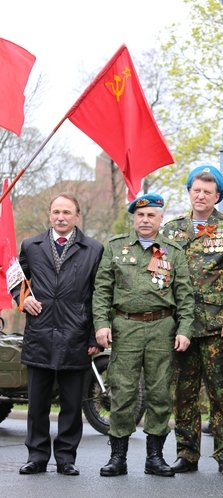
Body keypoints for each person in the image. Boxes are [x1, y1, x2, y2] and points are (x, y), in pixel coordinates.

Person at [92, 194, 194, 477]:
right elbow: (102, 290)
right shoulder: (115, 248)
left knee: (160, 393)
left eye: (151, 215)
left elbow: (185, 296)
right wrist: (101, 324)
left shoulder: (173, 251)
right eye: (140, 215)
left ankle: (155, 457)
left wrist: (185, 329)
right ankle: (118, 457)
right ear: (133, 219)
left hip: (163, 328)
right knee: (122, 391)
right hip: (126, 327)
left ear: (161, 219)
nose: (145, 220)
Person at [161, 165, 223, 476]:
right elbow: (161, 276)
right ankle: (186, 452)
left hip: (216, 326)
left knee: (221, 391)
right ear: (189, 192)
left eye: (207, 192)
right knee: (184, 393)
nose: (201, 196)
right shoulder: (171, 231)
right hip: (182, 326)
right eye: (196, 190)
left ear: (217, 196)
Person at [14, 194, 103, 476]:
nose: (61, 217)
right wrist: (22, 299)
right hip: (40, 333)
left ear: (78, 216)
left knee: (71, 402)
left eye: (67, 212)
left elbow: (98, 295)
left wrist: (92, 337)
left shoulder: (93, 249)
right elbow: (16, 281)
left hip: (75, 333)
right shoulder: (31, 246)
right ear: (50, 215)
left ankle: (66, 458)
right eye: (56, 212)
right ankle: (37, 457)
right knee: (37, 403)